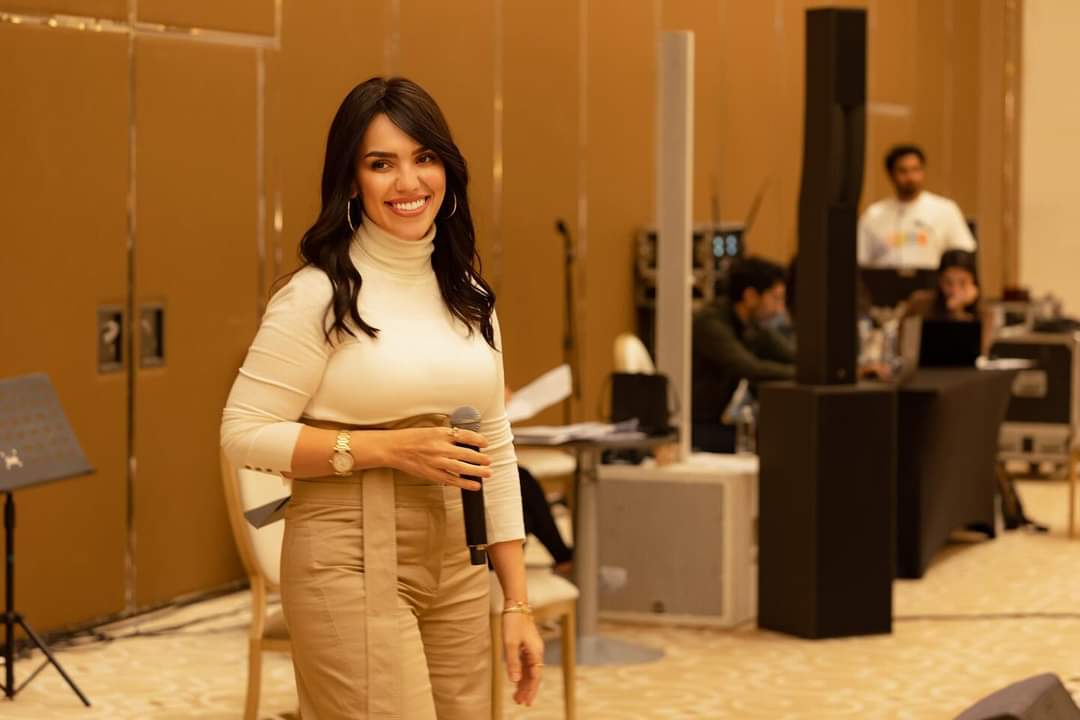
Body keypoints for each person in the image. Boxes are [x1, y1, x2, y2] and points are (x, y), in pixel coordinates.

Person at [220, 77, 543, 719]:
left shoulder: (470, 297)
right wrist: (386, 449)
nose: (408, 182)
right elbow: (242, 432)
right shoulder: (318, 295)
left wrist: (517, 600)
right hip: (345, 550)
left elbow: (495, 446)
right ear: (351, 179)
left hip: (458, 552)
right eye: (381, 163)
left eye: (424, 158)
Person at [692, 256, 795, 452]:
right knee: (771, 446)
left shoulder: (751, 325)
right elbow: (750, 368)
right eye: (776, 298)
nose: (780, 308)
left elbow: (791, 355)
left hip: (716, 422)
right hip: (695, 426)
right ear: (751, 296)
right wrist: (803, 374)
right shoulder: (711, 324)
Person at [858, 144, 976, 269]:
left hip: (932, 278)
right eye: (903, 171)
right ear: (891, 174)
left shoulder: (945, 209)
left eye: (916, 169)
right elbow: (860, 259)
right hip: (884, 279)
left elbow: (963, 252)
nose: (910, 177)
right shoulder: (874, 215)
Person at [903, 249, 993, 354]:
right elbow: (904, 344)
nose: (955, 290)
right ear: (940, 281)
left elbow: (979, 352)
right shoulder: (920, 303)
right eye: (948, 282)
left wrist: (958, 311)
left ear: (973, 283)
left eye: (962, 282)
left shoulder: (984, 312)